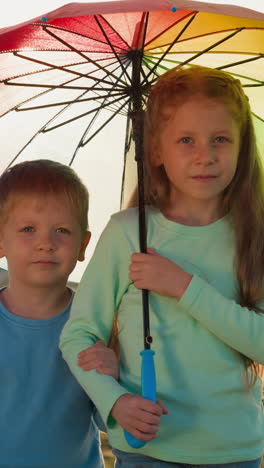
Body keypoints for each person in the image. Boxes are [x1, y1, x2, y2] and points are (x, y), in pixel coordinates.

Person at [60, 65, 264, 467]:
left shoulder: (253, 237)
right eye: (186, 140)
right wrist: (115, 401)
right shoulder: (126, 234)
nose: (205, 155)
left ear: (242, 147)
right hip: (146, 451)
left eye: (220, 139)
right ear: (155, 150)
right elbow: (79, 337)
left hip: (235, 452)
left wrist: (186, 287)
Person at [0, 159, 119, 468]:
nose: (45, 243)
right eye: (28, 228)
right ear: (1, 239)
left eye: (62, 231)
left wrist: (115, 380)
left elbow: (117, 429)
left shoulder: (97, 326)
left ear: (83, 244)